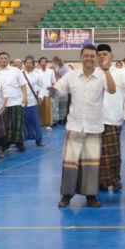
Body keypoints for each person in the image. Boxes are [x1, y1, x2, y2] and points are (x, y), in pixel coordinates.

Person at [48, 45, 116, 208]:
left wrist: (106, 71)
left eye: (92, 56)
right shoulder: (71, 76)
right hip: (74, 126)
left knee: (91, 164)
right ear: (81, 58)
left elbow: (112, 90)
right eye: (86, 56)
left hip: (94, 127)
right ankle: (66, 196)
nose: (89, 59)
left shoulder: (102, 75)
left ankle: (91, 196)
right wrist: (52, 91)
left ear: (96, 58)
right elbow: (58, 90)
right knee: (69, 163)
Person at [96, 44, 125, 193]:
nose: (102, 56)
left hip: (113, 118)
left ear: (112, 56)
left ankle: (115, 179)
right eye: (99, 54)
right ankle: (99, 181)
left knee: (112, 153)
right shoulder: (92, 72)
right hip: (94, 120)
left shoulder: (120, 73)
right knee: (96, 153)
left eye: (105, 53)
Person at [0, 52, 28, 152]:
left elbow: (23, 85)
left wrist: (25, 97)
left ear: (9, 60)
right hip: (1, 103)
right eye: (1, 58)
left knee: (17, 123)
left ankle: (19, 142)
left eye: (5, 58)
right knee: (4, 125)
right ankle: (5, 144)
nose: (3, 60)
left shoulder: (16, 70)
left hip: (16, 101)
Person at [21, 56, 46, 148]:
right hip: (21, 102)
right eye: (26, 62)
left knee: (35, 122)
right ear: (24, 64)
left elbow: (42, 87)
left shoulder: (37, 75)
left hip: (33, 102)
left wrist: (40, 97)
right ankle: (21, 141)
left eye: (30, 62)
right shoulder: (20, 74)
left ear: (33, 64)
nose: (28, 64)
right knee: (22, 123)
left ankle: (38, 140)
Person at [36, 57, 56, 130]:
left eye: (44, 62)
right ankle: (41, 124)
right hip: (39, 93)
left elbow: (53, 82)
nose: (43, 63)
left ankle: (48, 124)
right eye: (41, 62)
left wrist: (53, 92)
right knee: (40, 109)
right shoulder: (37, 72)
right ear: (39, 63)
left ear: (46, 63)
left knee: (48, 109)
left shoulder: (51, 71)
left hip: (48, 93)